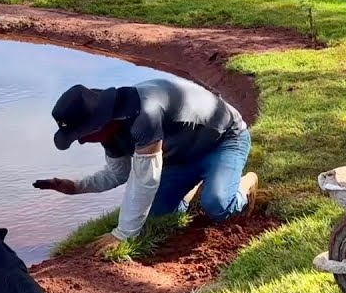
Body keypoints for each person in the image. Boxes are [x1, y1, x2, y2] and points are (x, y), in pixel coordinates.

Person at [34, 77, 259, 255]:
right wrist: (76, 186)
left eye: (80, 135)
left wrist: (123, 234)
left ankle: (245, 183)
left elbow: (146, 180)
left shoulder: (145, 115)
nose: (81, 141)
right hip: (181, 157)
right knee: (157, 216)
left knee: (218, 206)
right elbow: (117, 174)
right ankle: (191, 187)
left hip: (224, 140)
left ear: (99, 123)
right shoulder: (110, 133)